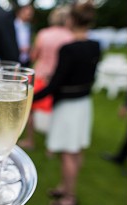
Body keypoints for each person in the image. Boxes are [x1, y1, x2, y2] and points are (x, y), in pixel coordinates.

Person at [33, 2, 100, 205]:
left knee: (67, 153)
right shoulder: (95, 45)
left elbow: (55, 85)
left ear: (71, 20)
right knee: (77, 149)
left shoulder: (68, 49)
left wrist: (31, 97)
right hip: (84, 104)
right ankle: (64, 187)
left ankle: (69, 197)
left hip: (68, 106)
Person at [20, 6, 74, 150]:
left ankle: (30, 140)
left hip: (40, 75)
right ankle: (52, 146)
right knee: (57, 110)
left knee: (30, 108)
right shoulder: (71, 36)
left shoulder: (44, 34)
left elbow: (34, 56)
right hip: (59, 78)